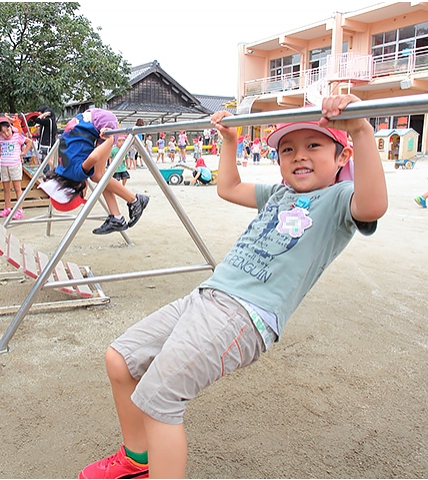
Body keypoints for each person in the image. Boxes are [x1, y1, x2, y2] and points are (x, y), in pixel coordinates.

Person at [77, 93, 388, 479]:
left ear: (342, 157)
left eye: (314, 145)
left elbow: (373, 205)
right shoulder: (279, 194)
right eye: (287, 149)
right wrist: (229, 140)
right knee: (120, 359)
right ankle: (137, 460)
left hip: (246, 314)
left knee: (159, 396)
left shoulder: (340, 201)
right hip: (206, 297)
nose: (299, 156)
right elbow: (228, 187)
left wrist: (359, 130)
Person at [39, 108, 149, 235]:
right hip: (89, 118)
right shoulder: (61, 170)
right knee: (99, 176)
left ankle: (135, 200)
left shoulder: (76, 174)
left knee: (97, 177)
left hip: (102, 123)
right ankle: (116, 217)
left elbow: (93, 157)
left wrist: (109, 140)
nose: (86, 193)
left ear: (75, 188)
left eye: (83, 195)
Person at [0, 117, 32, 219]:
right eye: (2, 132)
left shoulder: (17, 136)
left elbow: (29, 142)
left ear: (11, 127)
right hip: (4, 165)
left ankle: (19, 210)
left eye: (7, 130)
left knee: (17, 188)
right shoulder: (0, 139)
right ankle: (7, 208)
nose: (6, 134)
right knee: (6, 188)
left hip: (15, 164)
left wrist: (23, 153)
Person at [33, 105, 58, 172]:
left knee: (48, 160)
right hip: (51, 142)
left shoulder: (48, 121)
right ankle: (52, 173)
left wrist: (43, 115)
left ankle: (57, 171)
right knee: (50, 160)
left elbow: (37, 120)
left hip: (47, 143)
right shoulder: (52, 121)